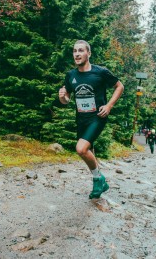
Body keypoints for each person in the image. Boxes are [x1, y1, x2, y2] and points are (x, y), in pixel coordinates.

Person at [58, 40, 124, 199]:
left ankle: (98, 178)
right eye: (74, 51)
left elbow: (119, 86)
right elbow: (66, 99)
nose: (77, 54)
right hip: (81, 119)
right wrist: (63, 98)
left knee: (81, 149)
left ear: (89, 53)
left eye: (81, 50)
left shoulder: (100, 72)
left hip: (97, 117)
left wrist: (109, 106)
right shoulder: (71, 75)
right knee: (89, 151)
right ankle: (100, 183)